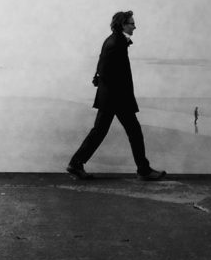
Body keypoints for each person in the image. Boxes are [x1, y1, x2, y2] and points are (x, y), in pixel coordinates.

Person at [67, 11, 166, 181]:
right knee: (133, 132)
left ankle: (76, 164)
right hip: (116, 99)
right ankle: (143, 170)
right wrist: (111, 87)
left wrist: (99, 79)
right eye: (131, 23)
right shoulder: (117, 42)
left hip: (111, 97)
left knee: (101, 132)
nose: (135, 26)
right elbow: (106, 69)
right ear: (123, 25)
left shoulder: (113, 40)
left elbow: (102, 64)